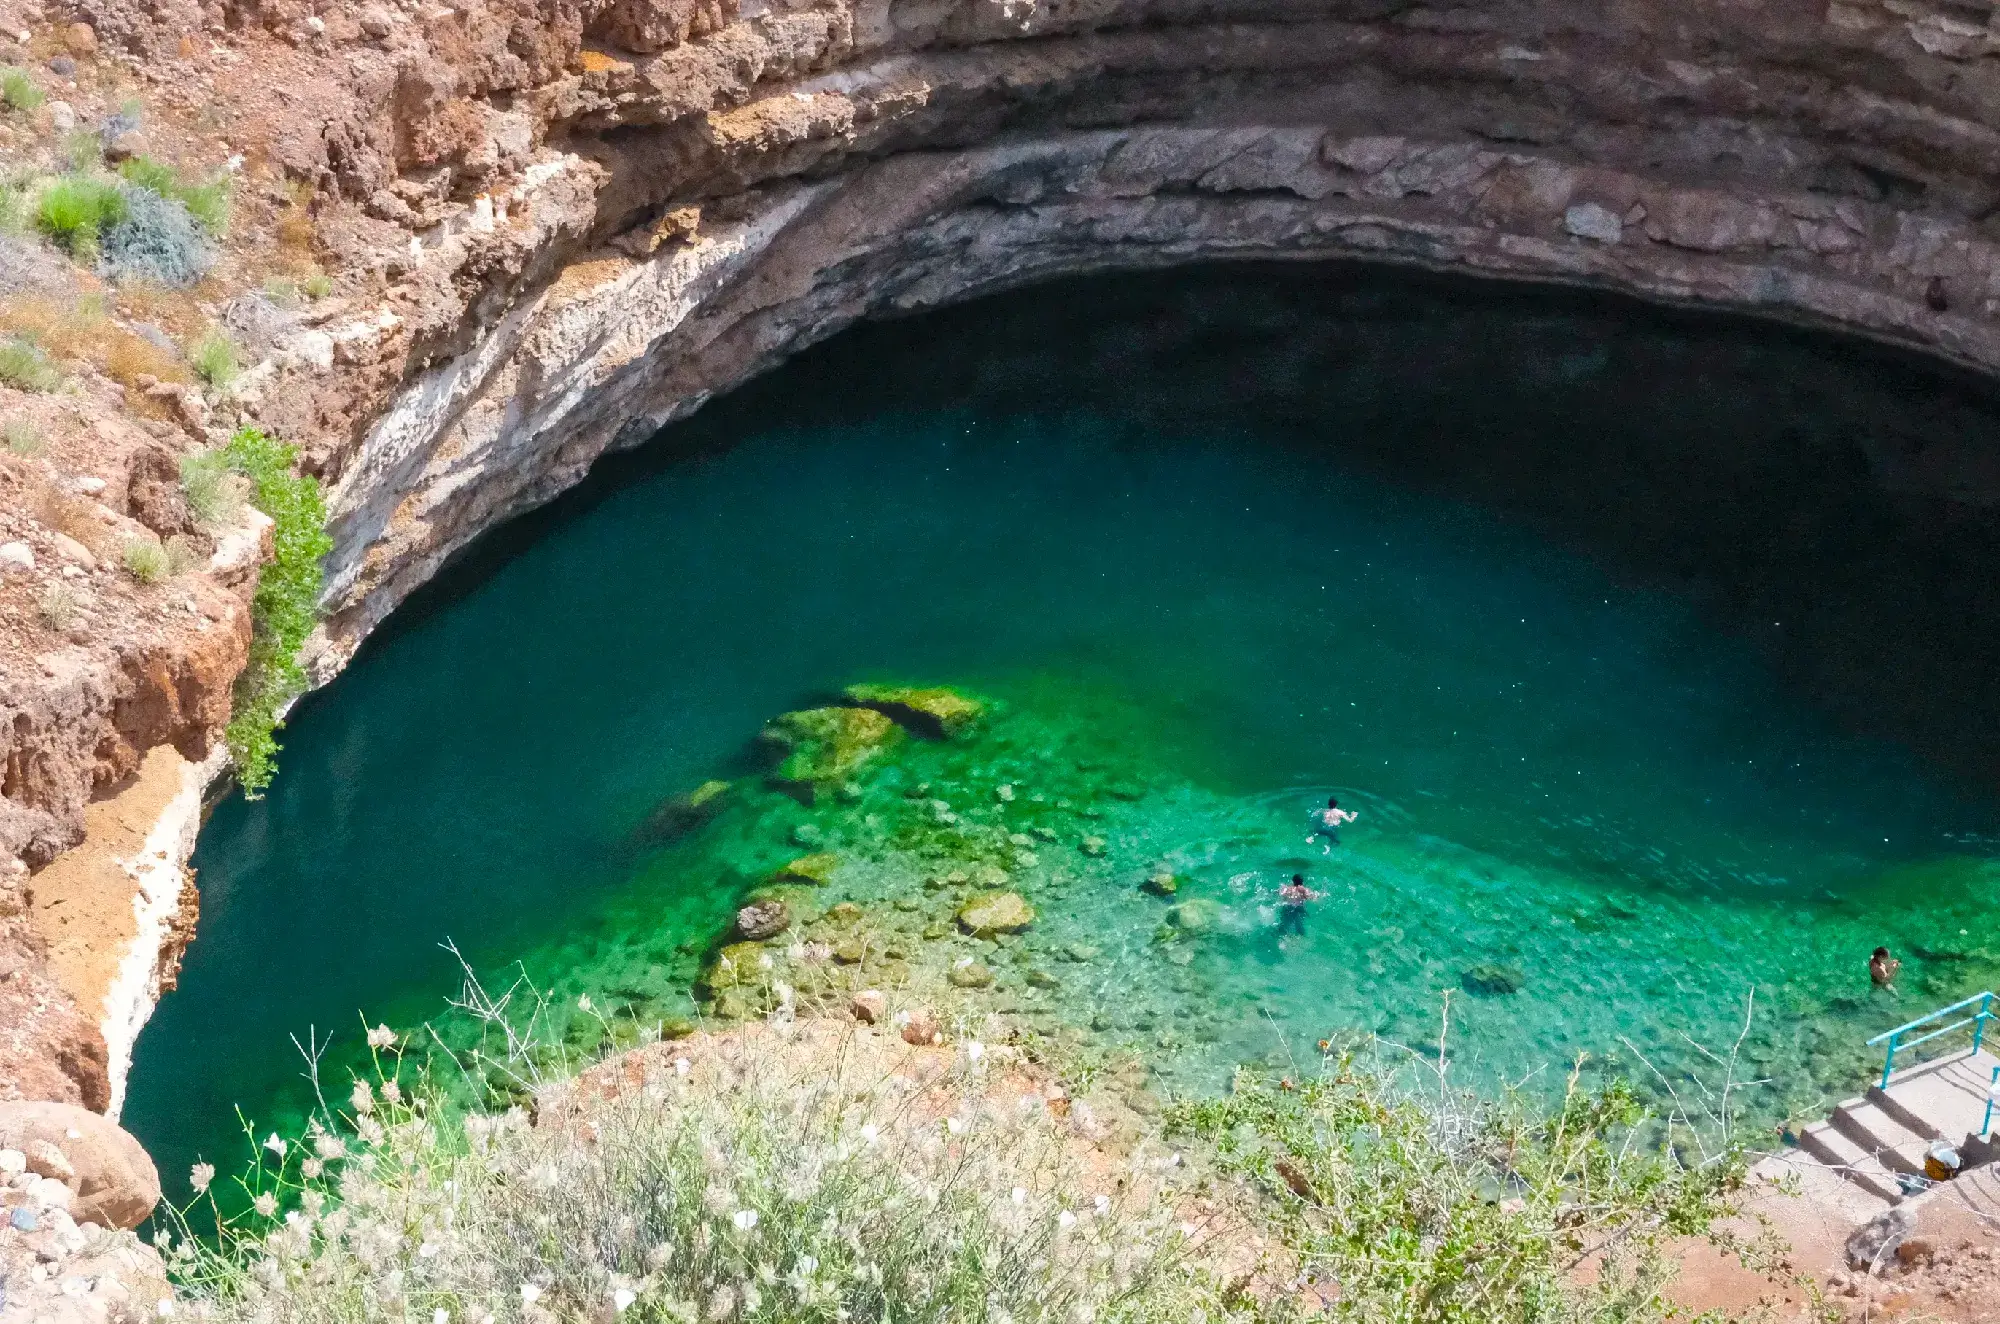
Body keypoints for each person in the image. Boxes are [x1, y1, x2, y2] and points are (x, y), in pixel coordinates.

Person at [1277, 873, 1322, 938]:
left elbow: (1279, 893)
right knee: (1300, 927)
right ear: (1302, 882)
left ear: (1293, 881)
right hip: (1298, 909)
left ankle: (1281, 937)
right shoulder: (1304, 889)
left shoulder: (1287, 888)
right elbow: (1312, 898)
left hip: (1287, 907)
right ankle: (1300, 939)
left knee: (1284, 926)